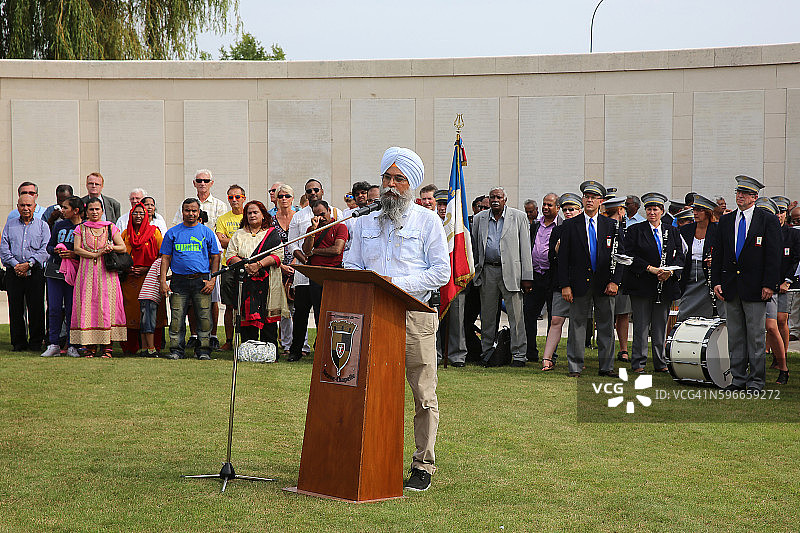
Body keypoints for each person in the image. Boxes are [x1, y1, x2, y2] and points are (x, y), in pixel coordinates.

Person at [345, 146, 450, 492]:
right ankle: (371, 456)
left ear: (411, 184)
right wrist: (372, 285)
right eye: (387, 178)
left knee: (423, 393)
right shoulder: (362, 222)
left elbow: (441, 272)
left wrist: (395, 285)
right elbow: (351, 266)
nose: (390, 185)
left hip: (413, 316)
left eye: (398, 179)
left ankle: (424, 464)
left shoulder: (428, 220)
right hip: (372, 316)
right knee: (367, 390)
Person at [712, 175, 781, 392]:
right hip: (731, 287)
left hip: (756, 287)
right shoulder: (726, 220)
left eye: (745, 194)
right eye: (738, 193)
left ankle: (756, 381)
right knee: (736, 336)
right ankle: (738, 378)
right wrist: (716, 282)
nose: (739, 196)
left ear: (755, 197)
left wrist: (769, 284)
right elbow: (719, 254)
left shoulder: (766, 219)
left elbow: (773, 255)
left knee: (756, 337)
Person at [558, 181, 623, 377]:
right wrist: (565, 285)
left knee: (605, 324)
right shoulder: (570, 225)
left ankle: (606, 366)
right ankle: (575, 366)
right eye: (586, 196)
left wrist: (615, 281)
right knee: (577, 325)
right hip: (578, 283)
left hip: (604, 283)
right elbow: (563, 259)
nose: (589, 200)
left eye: (593, 197)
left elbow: (621, 256)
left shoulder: (611, 225)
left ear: (601, 201)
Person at [471, 186, 534, 367]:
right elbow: (475, 249)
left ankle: (519, 355)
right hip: (488, 272)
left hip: (512, 273)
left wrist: (527, 276)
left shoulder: (519, 217)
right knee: (488, 317)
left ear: (505, 199)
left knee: (516, 317)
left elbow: (525, 249)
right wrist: (476, 273)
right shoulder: (479, 219)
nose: (495, 200)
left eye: (498, 197)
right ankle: (487, 352)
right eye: (492, 197)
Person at [623, 192, 685, 373]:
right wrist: (650, 268)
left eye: (655, 209)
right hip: (642, 283)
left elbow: (680, 256)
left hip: (664, 285)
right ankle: (639, 362)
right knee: (641, 326)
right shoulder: (636, 230)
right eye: (649, 209)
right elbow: (629, 256)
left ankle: (660, 362)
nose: (652, 212)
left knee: (660, 326)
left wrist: (668, 272)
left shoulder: (672, 230)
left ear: (662, 211)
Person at [286, 179, 342, 362]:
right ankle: (296, 350)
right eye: (308, 191)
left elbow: (340, 244)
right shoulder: (299, 216)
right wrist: (306, 262)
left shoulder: (336, 213)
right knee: (300, 314)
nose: (312, 193)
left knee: (323, 314)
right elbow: (292, 244)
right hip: (304, 274)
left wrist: (312, 256)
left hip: (326, 274)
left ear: (322, 191)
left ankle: (323, 351)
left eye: (315, 190)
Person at [172, 170, 227, 350]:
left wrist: (213, 276)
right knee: (185, 307)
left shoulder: (219, 205)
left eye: (206, 180)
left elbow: (218, 240)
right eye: (199, 180)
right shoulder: (185, 205)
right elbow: (176, 232)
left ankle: (211, 337)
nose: (202, 183)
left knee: (210, 303)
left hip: (208, 260)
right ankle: (193, 336)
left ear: (211, 182)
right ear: (194, 183)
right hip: (186, 263)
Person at [160, 198, 221, 360]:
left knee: (204, 317)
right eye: (187, 210)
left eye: (194, 210)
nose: (191, 213)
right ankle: (176, 350)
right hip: (179, 281)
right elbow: (165, 258)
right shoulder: (173, 232)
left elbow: (216, 257)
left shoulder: (207, 232)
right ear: (182, 212)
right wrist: (163, 282)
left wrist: (212, 280)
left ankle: (204, 350)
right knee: (177, 316)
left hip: (201, 280)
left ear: (199, 212)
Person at [70, 197, 127, 357]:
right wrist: (95, 254)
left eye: (97, 209)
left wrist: (111, 247)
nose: (94, 212)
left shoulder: (110, 227)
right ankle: (90, 347)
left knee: (106, 307)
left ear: (102, 211)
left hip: (106, 274)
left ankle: (107, 349)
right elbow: (77, 249)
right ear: (86, 212)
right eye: (91, 210)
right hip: (86, 274)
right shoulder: (80, 229)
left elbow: (122, 247)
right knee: (88, 307)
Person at [226, 200, 285, 345]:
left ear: (263, 215)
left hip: (268, 283)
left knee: (268, 322)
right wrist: (247, 266)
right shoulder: (239, 234)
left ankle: (269, 351)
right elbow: (230, 256)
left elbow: (279, 254)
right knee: (247, 320)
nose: (252, 215)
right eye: (249, 213)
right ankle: (248, 351)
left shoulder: (272, 234)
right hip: (245, 283)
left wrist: (258, 265)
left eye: (255, 212)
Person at [1, 193, 50, 351]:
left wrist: (29, 264)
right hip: (13, 272)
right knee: (15, 309)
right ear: (17, 207)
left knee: (36, 308)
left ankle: (36, 342)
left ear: (35, 207)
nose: (25, 208)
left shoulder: (43, 226)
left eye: (29, 205)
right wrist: (17, 265)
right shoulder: (10, 225)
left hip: (35, 272)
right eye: (22, 205)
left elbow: (45, 249)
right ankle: (19, 343)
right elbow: (4, 248)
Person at [540, 193, 582, 371]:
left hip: (580, 283)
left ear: (579, 210)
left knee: (578, 322)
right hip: (561, 282)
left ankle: (577, 359)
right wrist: (557, 251)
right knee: (556, 319)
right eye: (565, 210)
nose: (568, 213)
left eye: (571, 209)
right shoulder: (558, 230)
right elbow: (550, 257)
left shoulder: (585, 229)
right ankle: (547, 358)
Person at [40, 196, 83, 358]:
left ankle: (73, 345)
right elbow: (49, 246)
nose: (62, 211)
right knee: (54, 308)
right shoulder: (59, 225)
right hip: (55, 270)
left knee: (73, 310)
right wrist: (56, 250)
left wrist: (74, 253)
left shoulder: (84, 227)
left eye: (65, 208)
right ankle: (53, 344)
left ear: (76, 210)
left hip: (75, 273)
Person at [120, 202, 164, 354]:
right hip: (130, 279)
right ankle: (131, 348)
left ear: (147, 216)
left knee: (153, 312)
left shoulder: (154, 232)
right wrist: (127, 267)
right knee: (130, 312)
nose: (138, 216)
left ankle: (153, 347)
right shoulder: (125, 234)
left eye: (141, 213)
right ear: (130, 215)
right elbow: (120, 254)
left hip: (150, 277)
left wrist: (147, 268)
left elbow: (162, 255)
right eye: (135, 213)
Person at [755, 198, 789, 385]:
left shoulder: (775, 232)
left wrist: (770, 284)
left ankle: (783, 367)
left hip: (768, 285)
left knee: (771, 326)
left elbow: (775, 261)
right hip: (750, 285)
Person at [271, 184, 307, 355]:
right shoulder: (271, 220)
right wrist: (281, 265)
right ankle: (286, 344)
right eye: (280, 196)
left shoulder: (299, 217)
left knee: (299, 308)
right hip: (278, 266)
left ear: (293, 198)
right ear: (276, 199)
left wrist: (293, 264)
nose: (284, 199)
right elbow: (269, 246)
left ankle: (303, 345)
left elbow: (299, 243)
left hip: (297, 266)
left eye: (287, 196)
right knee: (284, 308)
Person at [524, 193, 559, 365]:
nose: (545, 207)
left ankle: (551, 354)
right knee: (529, 314)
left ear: (557, 208)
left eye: (549, 205)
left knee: (554, 318)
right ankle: (531, 352)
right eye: (544, 204)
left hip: (553, 278)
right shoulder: (535, 226)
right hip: (535, 277)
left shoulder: (562, 226)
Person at [301, 199, 347, 329]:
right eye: (317, 215)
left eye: (323, 214)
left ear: (329, 211)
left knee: (334, 310)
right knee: (318, 311)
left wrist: (315, 251)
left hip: (333, 272)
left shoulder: (340, 226)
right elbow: (306, 250)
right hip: (316, 275)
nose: (321, 218)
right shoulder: (311, 229)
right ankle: (319, 342)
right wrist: (313, 231)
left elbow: (336, 250)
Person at [677, 194, 719, 321]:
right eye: (694, 210)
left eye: (699, 210)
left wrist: (715, 260)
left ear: (707, 212)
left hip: (709, 276)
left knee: (710, 315)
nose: (695, 213)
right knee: (684, 313)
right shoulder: (686, 230)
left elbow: (724, 252)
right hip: (689, 275)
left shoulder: (718, 229)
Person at [215, 184, 247, 350]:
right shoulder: (223, 219)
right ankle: (229, 340)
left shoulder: (249, 216)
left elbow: (254, 240)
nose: (234, 200)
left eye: (237, 197)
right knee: (229, 305)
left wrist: (231, 239)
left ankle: (245, 340)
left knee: (246, 304)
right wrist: (242, 241)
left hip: (248, 265)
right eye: (230, 197)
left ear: (244, 198)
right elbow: (220, 240)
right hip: (228, 266)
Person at [600, 196, 631, 363]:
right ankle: (618, 349)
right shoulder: (607, 227)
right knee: (614, 314)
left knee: (621, 312)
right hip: (609, 277)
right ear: (620, 210)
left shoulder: (624, 227)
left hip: (623, 276)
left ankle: (622, 349)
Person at [771, 195, 799, 384]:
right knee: (769, 324)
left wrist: (787, 281)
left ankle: (782, 358)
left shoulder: (793, 234)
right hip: (768, 283)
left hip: (785, 284)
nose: (779, 215)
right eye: (776, 212)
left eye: (782, 212)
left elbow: (796, 259)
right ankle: (776, 355)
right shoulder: (767, 232)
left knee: (781, 320)